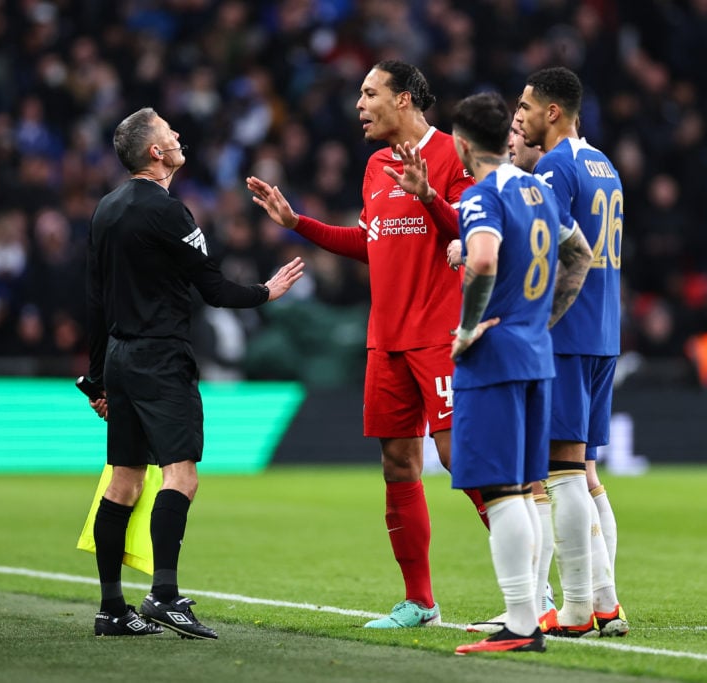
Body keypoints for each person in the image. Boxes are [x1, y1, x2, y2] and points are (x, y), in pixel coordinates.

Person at [246, 60, 479, 628]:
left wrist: (427, 195)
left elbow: (471, 233)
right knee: (398, 464)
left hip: (441, 334)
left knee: (462, 462)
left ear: (403, 100)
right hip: (388, 339)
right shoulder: (375, 165)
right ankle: (420, 601)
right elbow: (371, 242)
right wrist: (297, 221)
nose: (358, 104)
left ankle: (532, 596)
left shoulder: (453, 154)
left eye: (369, 93)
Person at [85, 107, 304, 638]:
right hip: (161, 356)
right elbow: (213, 288)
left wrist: (95, 377)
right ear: (155, 153)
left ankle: (112, 609)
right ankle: (163, 595)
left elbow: (99, 301)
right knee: (181, 475)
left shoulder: (106, 210)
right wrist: (265, 292)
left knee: (125, 480)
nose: (179, 135)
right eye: (169, 132)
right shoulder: (168, 211)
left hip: (119, 356)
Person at [448, 91, 591, 655]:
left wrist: (467, 328)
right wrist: (542, 319)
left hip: (496, 359)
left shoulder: (483, 195)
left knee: (504, 491)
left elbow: (481, 259)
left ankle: (520, 622)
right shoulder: (538, 189)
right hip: (536, 355)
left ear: (462, 143)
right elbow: (578, 256)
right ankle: (529, 615)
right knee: (527, 491)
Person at [516, 66, 628, 637]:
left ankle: (580, 608)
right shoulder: (604, 164)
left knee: (559, 473)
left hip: (567, 334)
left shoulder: (555, 167)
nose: (523, 116)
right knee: (581, 470)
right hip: (605, 332)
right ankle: (605, 603)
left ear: (551, 112)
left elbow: (559, 250)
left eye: (527, 106)